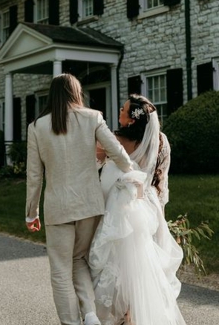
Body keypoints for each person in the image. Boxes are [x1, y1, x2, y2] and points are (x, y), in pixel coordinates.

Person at [25, 73, 133, 325]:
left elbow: (34, 175)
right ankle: (91, 316)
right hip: (90, 205)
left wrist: (32, 213)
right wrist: (132, 174)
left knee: (61, 271)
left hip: (58, 208)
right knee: (79, 260)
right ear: (76, 92)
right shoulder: (92, 117)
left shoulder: (36, 127)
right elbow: (117, 153)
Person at [89, 95, 186, 325]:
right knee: (141, 269)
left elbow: (91, 162)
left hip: (119, 208)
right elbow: (161, 181)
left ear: (131, 120)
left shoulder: (114, 140)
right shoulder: (161, 141)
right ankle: (133, 314)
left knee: (117, 266)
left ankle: (126, 316)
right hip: (146, 208)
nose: (119, 112)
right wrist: (159, 213)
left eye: (123, 109)